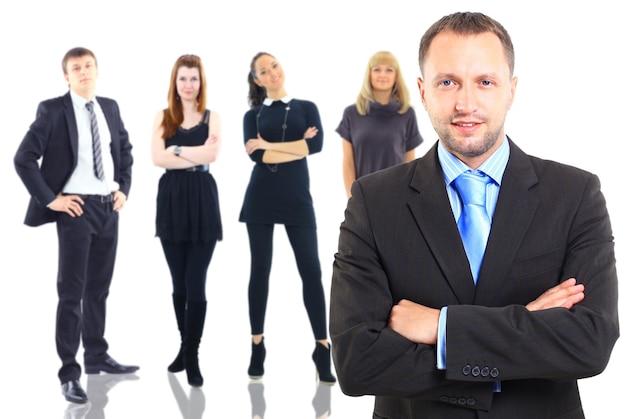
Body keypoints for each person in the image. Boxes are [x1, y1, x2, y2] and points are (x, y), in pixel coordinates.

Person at [330, 11, 619, 418]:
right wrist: (527, 326)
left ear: (511, 91)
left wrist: (442, 329)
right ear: (423, 91)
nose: (466, 103)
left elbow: (590, 343)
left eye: (485, 82)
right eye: (447, 82)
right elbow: (357, 362)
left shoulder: (575, 195)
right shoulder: (373, 201)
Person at [14, 47, 138, 405]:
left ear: (97, 71)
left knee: (99, 290)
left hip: (108, 208)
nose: (84, 72)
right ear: (66, 76)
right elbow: (23, 158)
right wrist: (51, 199)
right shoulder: (52, 110)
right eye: (76, 68)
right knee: (71, 294)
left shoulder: (110, 107)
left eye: (89, 67)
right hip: (76, 210)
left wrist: (123, 190)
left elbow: (125, 151)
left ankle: (96, 356)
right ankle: (69, 373)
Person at [240, 52, 336, 384]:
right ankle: (257, 344)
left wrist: (271, 144)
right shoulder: (251, 115)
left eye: (275, 66)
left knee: (312, 269)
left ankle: (322, 348)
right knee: (260, 270)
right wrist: (296, 144)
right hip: (260, 199)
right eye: (264, 71)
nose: (272, 73)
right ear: (257, 80)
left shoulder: (306, 106)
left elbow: (318, 146)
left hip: (297, 200)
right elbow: (258, 156)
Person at [151, 54, 223, 388]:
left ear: (201, 82)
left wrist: (177, 150)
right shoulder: (163, 117)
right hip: (172, 201)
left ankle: (191, 354)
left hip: (202, 201)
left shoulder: (213, 117)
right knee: (178, 284)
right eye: (183, 78)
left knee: (196, 282)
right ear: (175, 82)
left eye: (194, 78)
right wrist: (185, 152)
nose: (188, 85)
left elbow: (212, 156)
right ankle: (183, 347)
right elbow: (156, 158)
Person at [336, 50, 424, 197]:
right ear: (369, 75)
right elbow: (348, 162)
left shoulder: (406, 113)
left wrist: (405, 196)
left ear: (396, 76)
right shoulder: (352, 113)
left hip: (396, 194)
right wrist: (353, 198)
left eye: (389, 70)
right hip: (362, 195)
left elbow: (409, 162)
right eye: (377, 69)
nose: (382, 74)